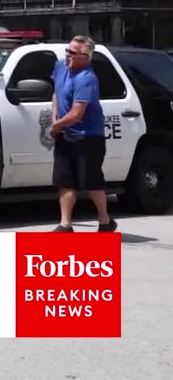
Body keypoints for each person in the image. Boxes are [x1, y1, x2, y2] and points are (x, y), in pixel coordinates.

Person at [49, 35, 117, 233]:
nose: (67, 55)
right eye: (67, 50)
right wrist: (55, 118)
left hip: (88, 137)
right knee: (65, 181)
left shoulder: (87, 78)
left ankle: (104, 222)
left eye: (72, 53)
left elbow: (77, 113)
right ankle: (65, 225)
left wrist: (56, 126)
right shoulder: (60, 66)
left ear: (86, 57)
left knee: (92, 182)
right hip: (65, 134)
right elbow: (56, 93)